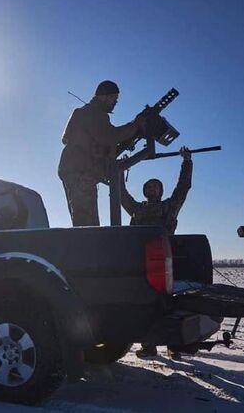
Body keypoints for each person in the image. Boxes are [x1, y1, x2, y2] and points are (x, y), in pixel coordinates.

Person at [120, 146, 192, 358]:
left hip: (165, 262)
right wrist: (121, 170)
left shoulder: (170, 206)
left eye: (156, 186)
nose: (152, 189)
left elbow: (183, 187)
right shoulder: (136, 208)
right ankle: (149, 345)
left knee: (170, 304)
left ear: (161, 191)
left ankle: (174, 345)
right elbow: (120, 193)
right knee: (145, 304)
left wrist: (186, 162)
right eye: (149, 186)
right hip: (142, 262)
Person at [58, 80, 146, 226]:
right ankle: (88, 248)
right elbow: (110, 135)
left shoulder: (88, 113)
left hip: (77, 171)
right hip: (80, 172)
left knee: (83, 221)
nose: (115, 102)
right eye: (114, 98)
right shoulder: (92, 112)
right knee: (87, 224)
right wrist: (135, 125)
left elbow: (101, 139)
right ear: (104, 96)